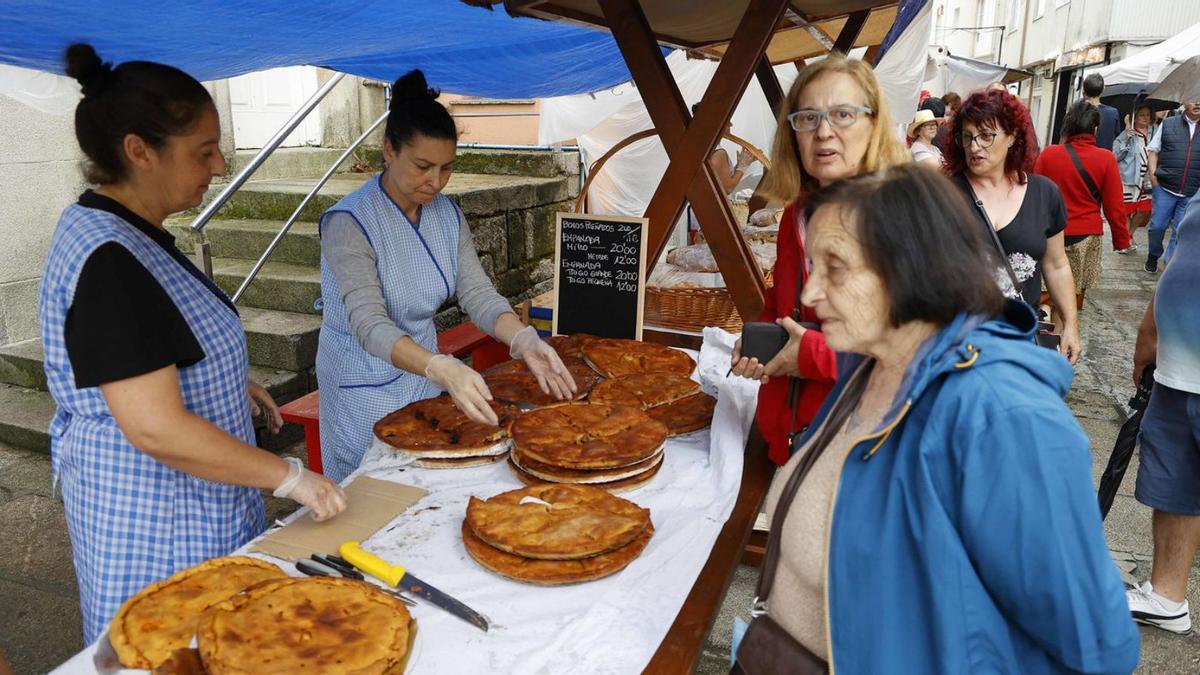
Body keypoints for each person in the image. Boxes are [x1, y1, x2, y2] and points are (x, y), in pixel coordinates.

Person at [749, 165, 1139, 673]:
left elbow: (1097, 644)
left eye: (835, 268)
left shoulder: (1004, 417)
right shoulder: (873, 361)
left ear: (909, 269)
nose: (809, 295)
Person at [41, 45, 347, 643]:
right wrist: (290, 477)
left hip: (184, 504)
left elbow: (148, 349)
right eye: (203, 151)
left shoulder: (129, 232)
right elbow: (156, 427)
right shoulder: (110, 257)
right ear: (140, 151)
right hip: (155, 522)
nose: (220, 164)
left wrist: (226, 380)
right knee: (178, 645)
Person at [317, 70, 576, 482]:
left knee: (429, 476)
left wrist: (524, 339)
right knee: (376, 489)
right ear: (388, 150)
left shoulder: (446, 214)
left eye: (447, 168)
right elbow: (369, 325)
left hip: (426, 375)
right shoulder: (348, 222)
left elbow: (478, 294)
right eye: (422, 166)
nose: (435, 182)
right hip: (364, 384)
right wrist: (441, 367)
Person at [729, 55, 908, 465]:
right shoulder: (799, 212)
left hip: (861, 452)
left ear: (874, 122)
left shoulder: (902, 219)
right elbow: (784, 300)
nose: (824, 132)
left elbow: (911, 352)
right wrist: (759, 342)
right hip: (795, 440)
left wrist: (808, 355)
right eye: (807, 118)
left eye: (842, 114)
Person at [944, 88, 1082, 364]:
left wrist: (1071, 324)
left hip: (1019, 339)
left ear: (1013, 136)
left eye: (986, 135)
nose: (974, 147)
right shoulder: (942, 194)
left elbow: (1056, 264)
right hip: (955, 340)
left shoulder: (1044, 194)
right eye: (967, 137)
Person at [1128, 191, 1200, 635]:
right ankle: (1167, 596)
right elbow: (1174, 262)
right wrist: (1148, 332)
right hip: (1177, 370)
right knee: (1175, 486)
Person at [1033, 100, 1129, 321]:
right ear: (1095, 129)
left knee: (1046, 287)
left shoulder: (1049, 154)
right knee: (1071, 294)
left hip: (1049, 234)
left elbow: (1034, 193)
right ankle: (1059, 337)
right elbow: (1115, 207)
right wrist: (1121, 239)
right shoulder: (1106, 159)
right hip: (1085, 237)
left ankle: (1044, 316)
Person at [1144, 98, 1200, 273]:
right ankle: (1153, 255)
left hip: (1192, 190)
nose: (1198, 103)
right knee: (1157, 227)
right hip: (1165, 187)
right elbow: (1153, 150)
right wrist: (1154, 178)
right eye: (1194, 99)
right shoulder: (1169, 123)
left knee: (1179, 232)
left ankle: (1169, 266)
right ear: (1184, 101)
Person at [1113, 103, 1156, 252]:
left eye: (1148, 115)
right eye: (1142, 115)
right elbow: (1115, 156)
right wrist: (1126, 141)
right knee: (1127, 210)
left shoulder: (1155, 132)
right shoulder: (1126, 134)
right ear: (1134, 117)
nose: (1145, 118)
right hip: (1129, 178)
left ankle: (1128, 235)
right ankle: (1126, 241)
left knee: (1144, 210)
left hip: (1148, 179)